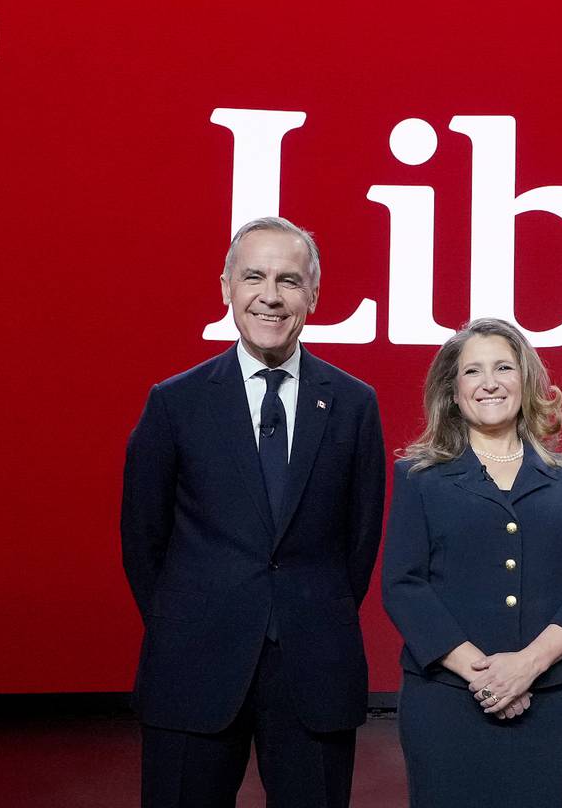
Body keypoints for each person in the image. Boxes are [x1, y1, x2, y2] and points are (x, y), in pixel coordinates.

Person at [121, 216, 385, 808]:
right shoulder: (175, 403)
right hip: (192, 665)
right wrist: (187, 618)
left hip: (312, 667)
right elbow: (143, 539)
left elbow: (360, 539)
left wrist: (306, 612)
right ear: (226, 287)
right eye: (254, 277)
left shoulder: (352, 404)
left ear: (313, 294)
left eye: (289, 280)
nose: (270, 295)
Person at [382, 318, 562, 808]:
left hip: (551, 703)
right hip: (446, 704)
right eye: (473, 372)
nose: (489, 382)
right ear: (453, 389)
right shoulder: (419, 476)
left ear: (526, 380)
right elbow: (404, 585)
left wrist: (526, 667)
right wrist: (488, 676)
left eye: (503, 367)